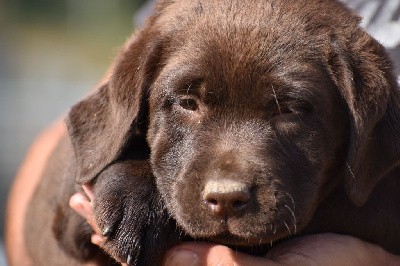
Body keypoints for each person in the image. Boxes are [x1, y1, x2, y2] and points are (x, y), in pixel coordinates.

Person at [6, 0, 400, 265]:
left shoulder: (354, 80)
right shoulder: (182, 25)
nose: (227, 184)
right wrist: (127, 175)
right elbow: (76, 159)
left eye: (291, 109)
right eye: (188, 104)